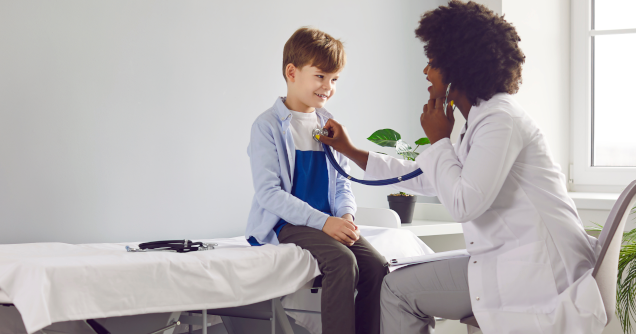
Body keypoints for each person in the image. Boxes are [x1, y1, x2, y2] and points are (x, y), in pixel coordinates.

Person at [317, 2, 606, 333]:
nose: (426, 72)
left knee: (396, 290)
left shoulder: (501, 121)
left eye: (433, 62)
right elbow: (431, 178)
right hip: (516, 261)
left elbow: (464, 203)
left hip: (540, 272)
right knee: (398, 278)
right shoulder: (485, 119)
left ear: (459, 68)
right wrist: (352, 151)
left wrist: (439, 139)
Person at [245, 27, 388, 334]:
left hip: (328, 222)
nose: (328, 87)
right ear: (292, 72)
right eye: (321, 76)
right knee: (341, 261)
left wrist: (346, 217)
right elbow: (270, 194)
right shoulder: (267, 127)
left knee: (376, 266)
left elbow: (341, 184)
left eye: (334, 79)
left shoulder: (328, 125)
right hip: (289, 223)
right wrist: (324, 223)